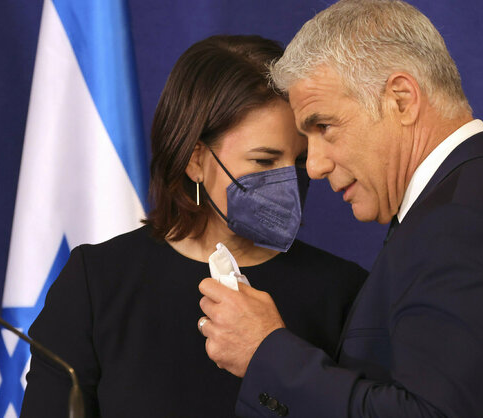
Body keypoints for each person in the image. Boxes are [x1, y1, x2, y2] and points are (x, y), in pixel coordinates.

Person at [198, 1, 483, 417]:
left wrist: (266, 354)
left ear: (401, 99)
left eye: (324, 127)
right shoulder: (482, 201)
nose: (316, 166)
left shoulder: (464, 225)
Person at [20, 35, 367, 417]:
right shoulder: (98, 282)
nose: (289, 181)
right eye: (265, 161)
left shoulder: (342, 292)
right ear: (195, 160)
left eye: (298, 161)